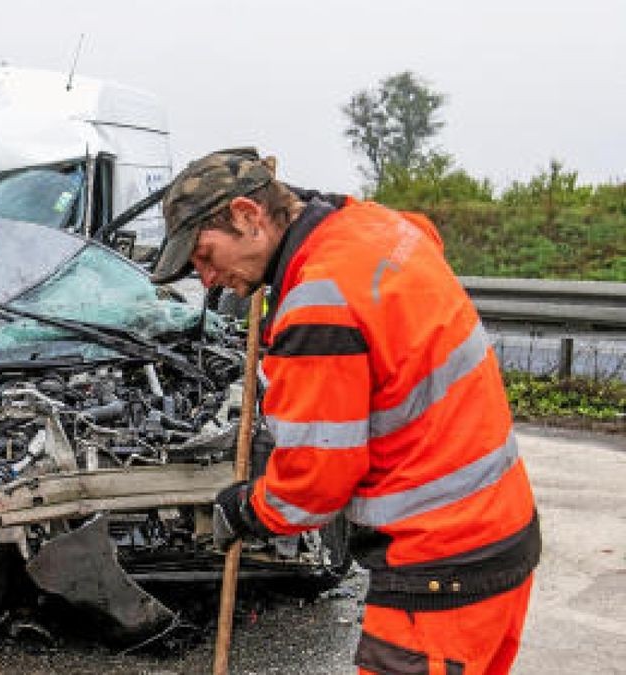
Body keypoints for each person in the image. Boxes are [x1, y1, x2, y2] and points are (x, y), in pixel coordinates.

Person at [151, 148, 540, 675]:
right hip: (499, 531)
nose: (206, 279)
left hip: (436, 568)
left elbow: (313, 486)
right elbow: (424, 237)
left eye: (203, 255)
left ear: (248, 215)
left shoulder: (318, 303)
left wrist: (244, 510)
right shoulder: (372, 224)